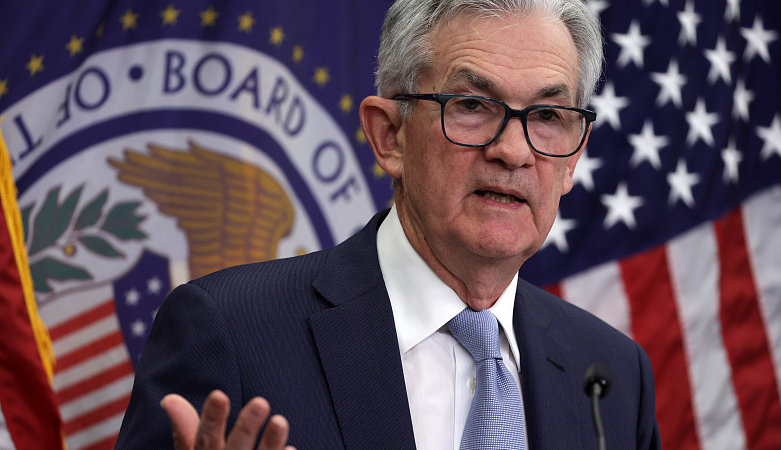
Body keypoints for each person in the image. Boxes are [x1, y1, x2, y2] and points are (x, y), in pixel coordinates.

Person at [114, 0, 662, 448]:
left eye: (546, 117)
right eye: (472, 105)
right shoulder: (229, 332)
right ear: (389, 136)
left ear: (574, 156)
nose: (514, 151)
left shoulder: (612, 373)